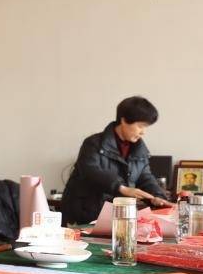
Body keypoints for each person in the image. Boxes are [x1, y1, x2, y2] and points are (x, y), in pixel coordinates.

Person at [61, 96, 170, 225]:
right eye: (140, 126)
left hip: (117, 216)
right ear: (124, 120)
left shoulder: (140, 151)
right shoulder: (93, 143)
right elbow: (91, 171)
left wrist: (158, 197)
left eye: (146, 127)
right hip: (84, 213)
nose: (143, 132)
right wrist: (121, 188)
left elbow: (145, 177)